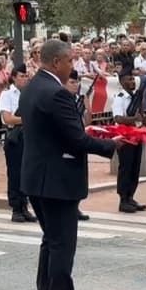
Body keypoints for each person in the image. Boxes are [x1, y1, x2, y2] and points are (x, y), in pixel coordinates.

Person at [19, 40, 123, 290]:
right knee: (62, 244)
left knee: (50, 242)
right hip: (56, 180)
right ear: (56, 63)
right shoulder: (56, 93)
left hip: (37, 177)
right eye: (70, 62)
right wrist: (109, 145)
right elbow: (75, 139)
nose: (73, 67)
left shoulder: (31, 89)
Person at [0, 64, 37, 223]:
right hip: (15, 136)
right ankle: (16, 207)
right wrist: (27, 119)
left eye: (26, 76)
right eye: (21, 76)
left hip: (28, 136)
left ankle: (24, 205)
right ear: (14, 77)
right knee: (15, 173)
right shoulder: (7, 94)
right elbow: (8, 118)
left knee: (27, 173)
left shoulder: (30, 94)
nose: (25, 78)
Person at [112, 69, 146, 213]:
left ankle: (131, 196)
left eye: (133, 79)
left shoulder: (135, 96)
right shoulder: (119, 97)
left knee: (135, 167)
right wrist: (134, 119)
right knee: (126, 167)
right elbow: (118, 118)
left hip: (137, 134)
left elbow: (141, 115)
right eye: (129, 79)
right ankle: (123, 199)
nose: (132, 82)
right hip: (125, 136)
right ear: (121, 82)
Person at [65, 70, 92, 221]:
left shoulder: (79, 99)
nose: (75, 85)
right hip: (68, 142)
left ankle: (76, 206)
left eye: (76, 82)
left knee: (80, 175)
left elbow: (87, 122)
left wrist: (88, 108)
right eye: (72, 82)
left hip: (80, 140)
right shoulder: (63, 100)